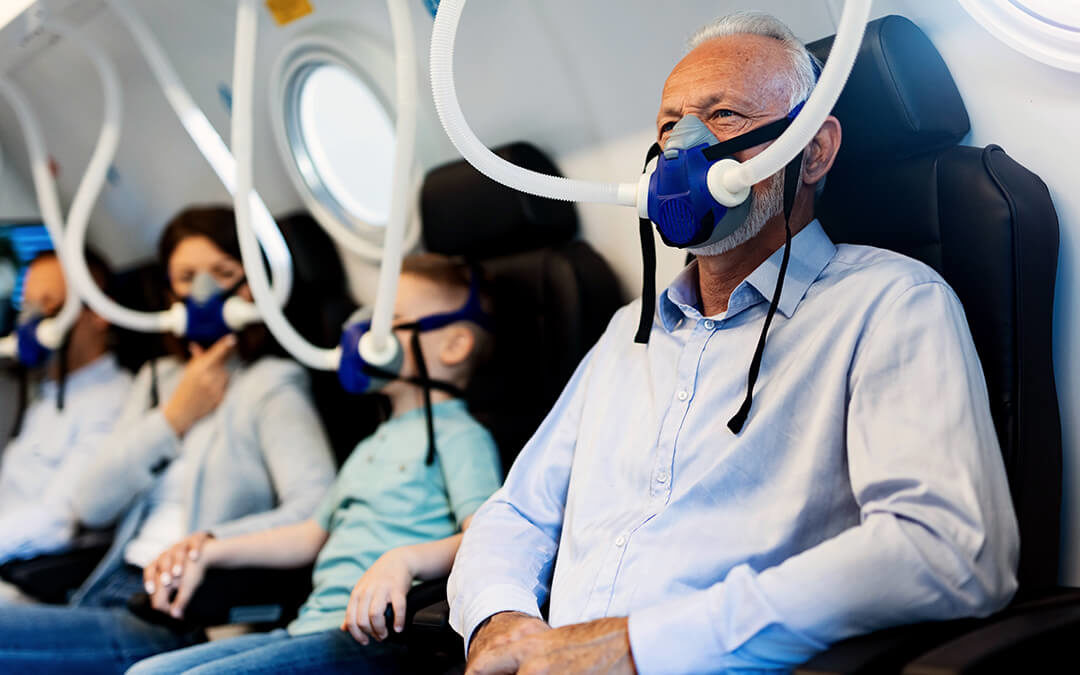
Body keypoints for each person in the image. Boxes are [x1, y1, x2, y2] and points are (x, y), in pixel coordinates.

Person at [448, 11, 1019, 674]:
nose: (682, 145)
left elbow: (947, 549)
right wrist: (501, 621)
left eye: (723, 117)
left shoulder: (889, 305)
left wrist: (636, 645)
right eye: (668, 125)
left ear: (814, 150)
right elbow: (517, 510)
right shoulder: (627, 333)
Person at [126, 254, 502, 675]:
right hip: (309, 627)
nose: (366, 336)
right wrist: (210, 550)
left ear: (454, 345)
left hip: (375, 639)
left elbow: (487, 537)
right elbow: (311, 535)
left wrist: (406, 560)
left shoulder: (461, 437)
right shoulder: (373, 442)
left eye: (390, 321)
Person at [0, 206, 336, 672]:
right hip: (112, 589)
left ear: (251, 287)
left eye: (222, 273)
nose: (202, 290)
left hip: (184, 607)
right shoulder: (158, 378)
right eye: (186, 276)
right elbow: (91, 505)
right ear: (169, 293)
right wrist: (174, 419)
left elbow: (315, 508)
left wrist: (206, 545)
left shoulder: (271, 384)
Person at [0, 250, 131, 588]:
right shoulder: (46, 393)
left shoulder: (113, 401)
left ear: (100, 313)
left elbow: (60, 521)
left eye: (49, 306)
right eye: (27, 306)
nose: (32, 320)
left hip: (28, 578)